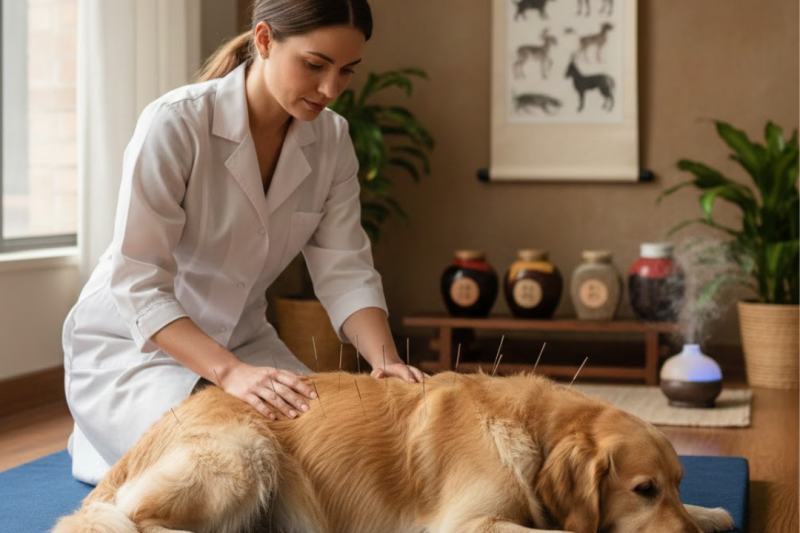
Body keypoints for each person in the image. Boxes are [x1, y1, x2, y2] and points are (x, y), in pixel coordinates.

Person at [62, 0, 423, 485]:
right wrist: (229, 374)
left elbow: (346, 269)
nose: (330, 90)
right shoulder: (176, 123)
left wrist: (387, 362)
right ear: (264, 40)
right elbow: (138, 282)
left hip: (245, 342)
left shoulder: (332, 140)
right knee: (234, 467)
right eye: (315, 66)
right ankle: (106, 429)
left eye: (346, 72)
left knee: (337, 451)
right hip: (135, 348)